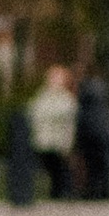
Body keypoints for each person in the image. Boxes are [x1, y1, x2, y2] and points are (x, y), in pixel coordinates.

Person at [25, 63, 78, 201]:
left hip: (58, 141)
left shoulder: (66, 99)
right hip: (42, 139)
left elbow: (68, 122)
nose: (52, 80)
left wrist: (68, 143)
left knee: (60, 170)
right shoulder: (42, 96)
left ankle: (63, 194)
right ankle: (54, 194)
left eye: (56, 77)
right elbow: (33, 112)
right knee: (50, 168)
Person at [74, 65, 109, 202]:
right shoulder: (102, 90)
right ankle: (105, 192)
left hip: (89, 132)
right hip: (105, 132)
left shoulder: (84, 92)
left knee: (91, 164)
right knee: (103, 163)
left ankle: (92, 192)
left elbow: (81, 116)